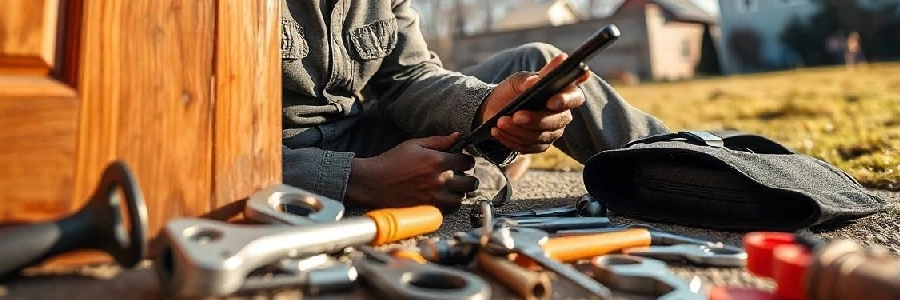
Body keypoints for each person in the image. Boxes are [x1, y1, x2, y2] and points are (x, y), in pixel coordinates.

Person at [280, 0, 670, 209]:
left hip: (359, 130)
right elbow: (234, 155)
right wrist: (359, 181)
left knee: (536, 65)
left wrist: (485, 105)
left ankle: (682, 165)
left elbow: (407, 78)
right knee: (478, 173)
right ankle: (490, 168)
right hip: (278, 161)